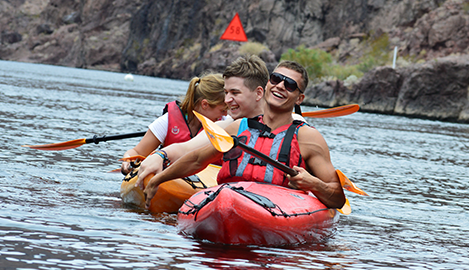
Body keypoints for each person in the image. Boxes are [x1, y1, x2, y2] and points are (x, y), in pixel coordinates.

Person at [142, 60, 346, 209]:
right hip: (228, 200)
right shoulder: (236, 128)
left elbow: (338, 198)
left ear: (299, 98)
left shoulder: (308, 138)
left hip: (275, 210)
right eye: (276, 79)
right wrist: (157, 180)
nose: (281, 86)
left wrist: (314, 184)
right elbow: (196, 159)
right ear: (266, 85)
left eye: (290, 85)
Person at [134, 54, 271, 182]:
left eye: (235, 93)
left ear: (259, 93)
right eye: (225, 93)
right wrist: (160, 155)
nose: (227, 100)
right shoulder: (227, 126)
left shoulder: (290, 125)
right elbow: (187, 149)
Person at [120, 72, 227, 174]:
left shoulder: (226, 123)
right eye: (223, 110)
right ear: (205, 105)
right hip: (172, 182)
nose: (226, 114)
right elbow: (137, 152)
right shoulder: (167, 121)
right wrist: (128, 159)